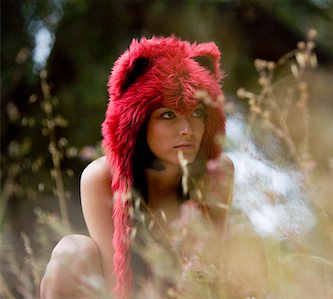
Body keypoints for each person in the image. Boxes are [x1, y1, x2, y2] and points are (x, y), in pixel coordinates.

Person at [40, 36, 234, 299]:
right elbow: (115, 283)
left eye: (197, 114)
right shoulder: (101, 177)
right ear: (138, 122)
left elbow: (214, 270)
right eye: (168, 115)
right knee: (72, 251)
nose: (187, 130)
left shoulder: (217, 172)